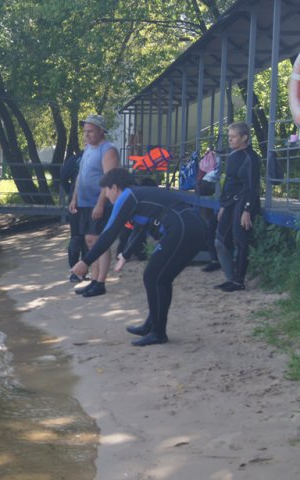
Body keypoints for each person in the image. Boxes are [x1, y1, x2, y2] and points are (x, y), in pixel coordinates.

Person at [71, 168, 206, 346]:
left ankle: (158, 332)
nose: (107, 198)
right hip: (193, 227)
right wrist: (125, 255)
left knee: (152, 276)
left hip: (182, 228)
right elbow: (140, 228)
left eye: (106, 192)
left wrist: (85, 261)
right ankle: (152, 325)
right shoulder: (138, 195)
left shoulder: (128, 195)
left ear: (114, 188)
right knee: (160, 278)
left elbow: (109, 233)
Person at [68, 114, 120, 297]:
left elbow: (110, 180)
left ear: (101, 131)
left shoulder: (108, 150)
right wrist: (74, 198)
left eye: (90, 131)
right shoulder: (89, 148)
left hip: (98, 204)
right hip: (84, 202)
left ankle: (100, 282)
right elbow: (80, 175)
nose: (86, 135)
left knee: (99, 242)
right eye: (85, 132)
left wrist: (100, 204)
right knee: (90, 241)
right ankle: (94, 280)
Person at [214, 122, 261, 292]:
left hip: (244, 201)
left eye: (233, 137)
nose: (230, 140)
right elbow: (228, 183)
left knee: (240, 240)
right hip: (230, 202)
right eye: (229, 137)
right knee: (219, 240)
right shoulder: (233, 156)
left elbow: (252, 186)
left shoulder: (251, 158)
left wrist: (247, 210)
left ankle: (239, 282)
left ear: (244, 137)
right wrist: (223, 206)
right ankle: (231, 278)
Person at [59, 151, 88, 281]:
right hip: (91, 200)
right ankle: (82, 271)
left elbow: (63, 178)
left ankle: (75, 272)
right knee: (88, 236)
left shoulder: (73, 159)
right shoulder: (101, 156)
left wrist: (70, 192)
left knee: (76, 236)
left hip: (75, 200)